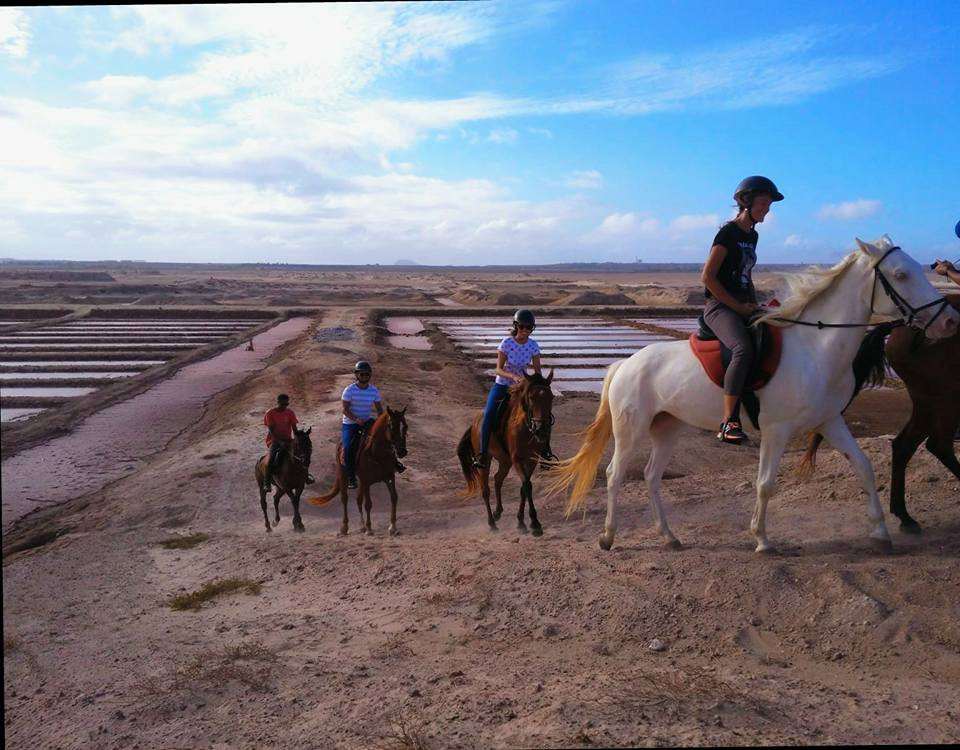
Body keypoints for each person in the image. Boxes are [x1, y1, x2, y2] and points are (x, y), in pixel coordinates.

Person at [701, 176, 784, 444]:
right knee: (742, 348)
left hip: (742, 303)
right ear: (745, 203)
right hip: (719, 306)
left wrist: (756, 303)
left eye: (769, 205)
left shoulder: (753, 235)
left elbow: (746, 275)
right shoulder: (728, 234)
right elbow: (708, 277)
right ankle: (729, 422)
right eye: (763, 203)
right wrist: (736, 306)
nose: (767, 210)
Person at [472, 309, 555, 468]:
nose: (525, 330)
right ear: (516, 326)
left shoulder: (533, 345)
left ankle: (545, 452)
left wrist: (538, 384)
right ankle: (482, 455)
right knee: (489, 414)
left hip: (523, 388)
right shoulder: (506, 343)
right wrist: (513, 377)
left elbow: (538, 372)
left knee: (544, 416)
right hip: (503, 385)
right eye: (522, 327)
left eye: (529, 327)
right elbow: (498, 369)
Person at [341, 360, 405, 489]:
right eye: (362, 374)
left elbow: (379, 409)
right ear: (357, 375)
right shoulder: (349, 390)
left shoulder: (373, 390)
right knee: (348, 447)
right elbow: (345, 410)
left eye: (367, 374)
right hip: (351, 423)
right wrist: (356, 419)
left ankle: (395, 463)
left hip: (368, 421)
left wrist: (381, 422)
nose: (364, 376)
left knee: (386, 439)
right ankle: (351, 478)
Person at [263, 393, 298, 491]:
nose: (284, 406)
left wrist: (297, 438)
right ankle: (267, 483)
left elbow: (294, 428)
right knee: (271, 459)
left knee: (301, 455)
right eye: (282, 404)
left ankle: (306, 476)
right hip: (274, 440)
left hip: (288, 439)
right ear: (278, 402)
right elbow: (271, 430)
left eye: (286, 404)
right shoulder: (270, 413)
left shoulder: (290, 413)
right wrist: (279, 441)